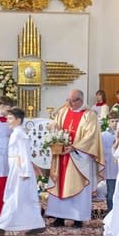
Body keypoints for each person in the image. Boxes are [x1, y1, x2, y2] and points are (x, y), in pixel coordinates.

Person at [46, 89, 105, 228]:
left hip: (79, 157)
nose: (70, 103)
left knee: (78, 186)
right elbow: (54, 125)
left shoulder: (89, 115)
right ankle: (59, 217)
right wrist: (53, 130)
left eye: (73, 101)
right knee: (60, 185)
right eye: (69, 100)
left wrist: (74, 147)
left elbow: (91, 136)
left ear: (81, 100)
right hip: (62, 156)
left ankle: (78, 218)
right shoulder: (63, 111)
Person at [0, 107, 45, 236]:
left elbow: (24, 154)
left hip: (20, 170)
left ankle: (1, 226)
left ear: (18, 120)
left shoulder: (19, 134)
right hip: (17, 168)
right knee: (25, 198)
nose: (7, 120)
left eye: (10, 118)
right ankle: (37, 224)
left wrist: (25, 171)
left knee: (14, 197)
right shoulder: (16, 132)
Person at [101, 111, 119, 212]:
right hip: (110, 167)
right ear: (108, 122)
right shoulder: (103, 135)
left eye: (117, 121)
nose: (115, 123)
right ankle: (110, 213)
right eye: (112, 121)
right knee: (111, 193)